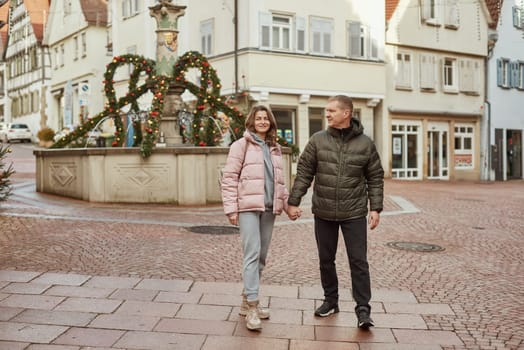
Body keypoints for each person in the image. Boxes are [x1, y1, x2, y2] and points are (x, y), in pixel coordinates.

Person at [287, 95, 384, 330]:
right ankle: (331, 301)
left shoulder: (365, 144)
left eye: (331, 110)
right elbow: (304, 173)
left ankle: (363, 310)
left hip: (354, 213)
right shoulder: (318, 140)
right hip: (324, 211)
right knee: (325, 260)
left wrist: (376, 208)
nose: (327, 114)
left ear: (346, 113)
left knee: (359, 262)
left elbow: (375, 176)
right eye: (326, 110)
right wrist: (293, 201)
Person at [221, 105, 296, 331]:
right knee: (251, 254)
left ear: (270, 122)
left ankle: (246, 301)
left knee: (261, 257)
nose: (262, 121)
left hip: (269, 207)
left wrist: (287, 205)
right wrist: (231, 209)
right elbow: (230, 178)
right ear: (251, 122)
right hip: (247, 208)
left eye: (266, 118)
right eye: (258, 118)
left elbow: (279, 182)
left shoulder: (275, 148)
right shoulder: (240, 145)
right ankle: (252, 306)